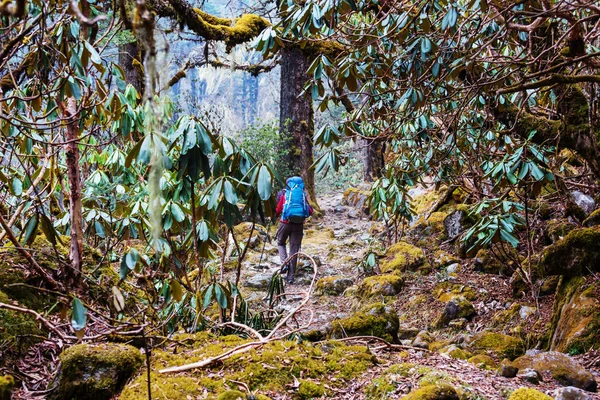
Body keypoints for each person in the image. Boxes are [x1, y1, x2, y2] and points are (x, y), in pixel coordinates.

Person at [275, 176, 313, 284]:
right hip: (298, 225)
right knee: (294, 250)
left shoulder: (283, 193)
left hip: (285, 223)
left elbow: (278, 209)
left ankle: (284, 263)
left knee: (280, 242)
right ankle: (290, 277)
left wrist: (275, 215)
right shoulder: (302, 195)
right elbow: (309, 210)